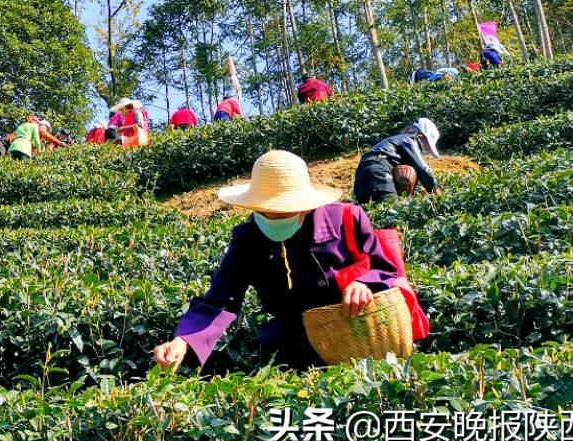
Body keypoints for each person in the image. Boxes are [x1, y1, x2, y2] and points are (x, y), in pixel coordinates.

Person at [151, 150, 402, 371]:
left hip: (357, 333)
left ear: (305, 206)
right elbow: (221, 300)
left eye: (283, 212)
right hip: (294, 340)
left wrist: (364, 284)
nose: (272, 221)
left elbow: (385, 269)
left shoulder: (347, 219)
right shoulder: (247, 240)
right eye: (264, 212)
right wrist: (183, 340)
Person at [353, 118, 442, 205]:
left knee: (368, 214)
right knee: (392, 212)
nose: (425, 151)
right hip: (378, 170)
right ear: (420, 137)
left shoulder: (395, 142)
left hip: (362, 175)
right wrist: (436, 192)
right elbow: (422, 169)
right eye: (426, 147)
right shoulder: (409, 140)